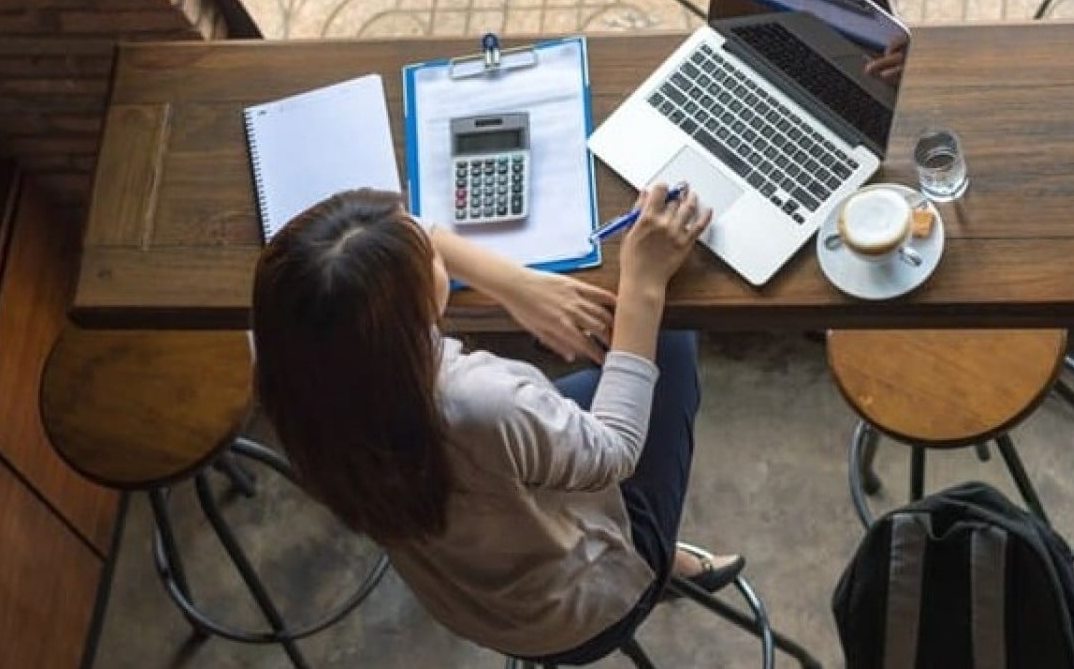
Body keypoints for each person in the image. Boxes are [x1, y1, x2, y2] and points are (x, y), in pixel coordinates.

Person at [251, 183, 740, 663]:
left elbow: (409, 239)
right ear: (408, 315)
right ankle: (652, 561)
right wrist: (644, 281)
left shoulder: (299, 380)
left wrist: (516, 285)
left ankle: (650, 554)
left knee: (598, 385)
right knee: (669, 334)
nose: (430, 240)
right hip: (581, 613)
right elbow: (614, 451)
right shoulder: (479, 403)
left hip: (470, 595)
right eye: (426, 257)